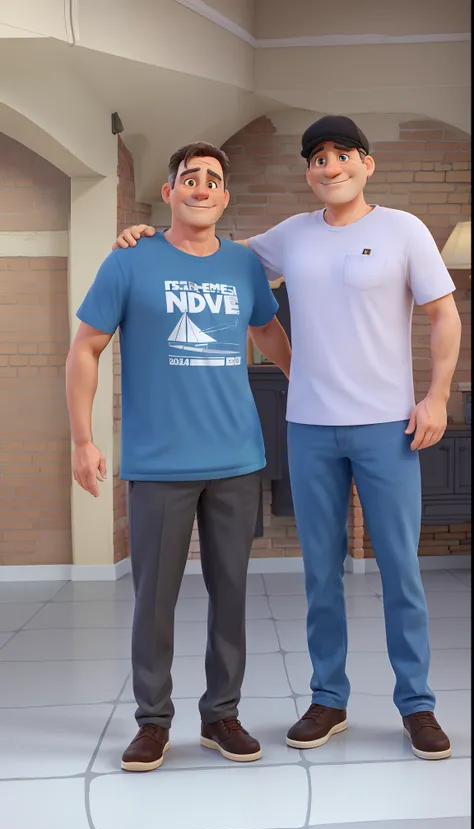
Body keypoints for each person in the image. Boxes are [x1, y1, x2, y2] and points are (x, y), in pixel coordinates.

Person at [112, 115, 462, 761]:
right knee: (320, 574)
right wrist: (145, 236)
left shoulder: (403, 230)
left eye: (343, 155)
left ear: (367, 163)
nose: (330, 167)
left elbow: (443, 313)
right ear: (309, 171)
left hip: (388, 426)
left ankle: (417, 704)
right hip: (309, 429)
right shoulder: (288, 238)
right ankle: (328, 697)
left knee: (400, 571)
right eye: (318, 158)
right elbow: (212, 249)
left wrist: (437, 395)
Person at [66, 141, 291, 772]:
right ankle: (152, 721)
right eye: (188, 178)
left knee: (231, 595)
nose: (201, 187)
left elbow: (267, 331)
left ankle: (222, 716)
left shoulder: (244, 266)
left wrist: (308, 379)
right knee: (154, 600)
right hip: (159, 466)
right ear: (168, 193)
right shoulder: (130, 260)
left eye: (213, 179)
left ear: (224, 195)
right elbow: (85, 349)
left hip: (237, 460)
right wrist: (82, 439)